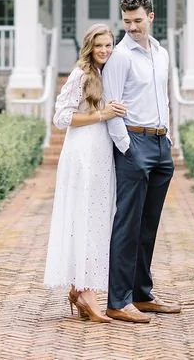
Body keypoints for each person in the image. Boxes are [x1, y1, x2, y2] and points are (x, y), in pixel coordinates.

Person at [101, 0, 182, 323]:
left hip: (161, 145)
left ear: (151, 16)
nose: (132, 28)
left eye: (137, 21)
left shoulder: (160, 53)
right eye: (126, 22)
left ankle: (141, 293)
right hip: (135, 144)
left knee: (148, 226)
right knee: (127, 225)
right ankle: (118, 300)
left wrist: (168, 137)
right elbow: (112, 104)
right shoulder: (120, 56)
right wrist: (126, 148)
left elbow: (161, 97)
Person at [43, 23, 127, 323]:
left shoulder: (108, 73)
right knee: (84, 218)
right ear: (89, 47)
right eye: (99, 45)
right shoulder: (80, 74)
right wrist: (102, 114)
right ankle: (85, 292)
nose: (104, 50)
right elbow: (61, 117)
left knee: (96, 219)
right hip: (82, 153)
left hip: (102, 151)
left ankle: (81, 288)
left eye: (109, 45)